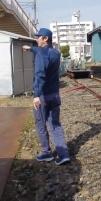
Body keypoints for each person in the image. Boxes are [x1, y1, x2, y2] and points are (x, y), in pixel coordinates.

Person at [22, 28, 70, 165]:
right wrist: (30, 48)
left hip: (42, 96)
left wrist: (36, 95)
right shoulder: (55, 53)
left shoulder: (41, 55)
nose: (37, 39)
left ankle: (46, 153)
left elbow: (40, 75)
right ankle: (63, 154)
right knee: (55, 124)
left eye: (39, 37)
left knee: (40, 124)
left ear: (45, 39)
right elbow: (41, 50)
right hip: (55, 95)